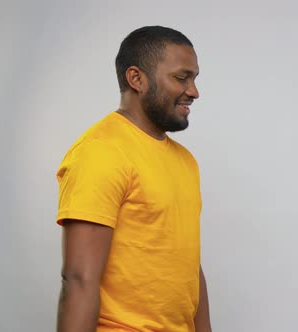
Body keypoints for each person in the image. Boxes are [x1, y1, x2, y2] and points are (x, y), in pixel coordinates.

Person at [55, 26, 211, 332]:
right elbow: (79, 280)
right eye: (182, 77)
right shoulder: (101, 152)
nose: (194, 91)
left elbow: (188, 266)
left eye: (194, 79)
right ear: (136, 79)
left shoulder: (185, 160)